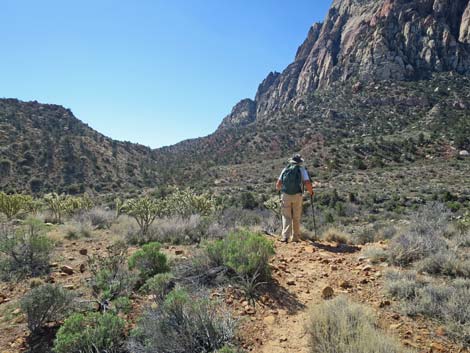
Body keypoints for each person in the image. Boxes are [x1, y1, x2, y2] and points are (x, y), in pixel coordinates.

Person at [275, 154, 314, 243]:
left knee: (286, 216)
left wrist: (280, 190)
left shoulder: (285, 169)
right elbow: (307, 182)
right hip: (297, 195)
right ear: (300, 162)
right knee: (296, 216)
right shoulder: (302, 170)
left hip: (285, 195)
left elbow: (278, 184)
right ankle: (295, 237)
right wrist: (311, 192)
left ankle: (285, 237)